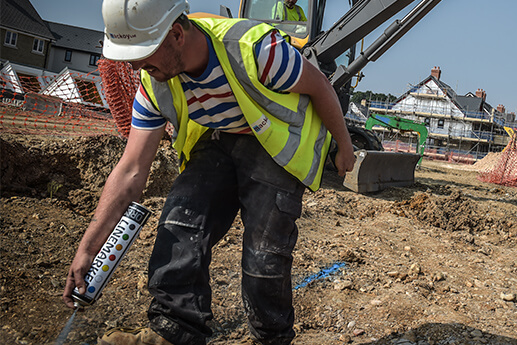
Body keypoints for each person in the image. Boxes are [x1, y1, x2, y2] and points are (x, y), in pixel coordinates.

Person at [61, 0, 355, 344]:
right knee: (178, 227)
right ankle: (173, 333)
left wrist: (345, 146)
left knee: (264, 257)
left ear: (175, 34)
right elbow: (131, 169)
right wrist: (87, 248)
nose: (138, 64)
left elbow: (319, 85)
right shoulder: (153, 82)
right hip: (217, 140)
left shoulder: (257, 50)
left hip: (273, 144)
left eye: (143, 53)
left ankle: (271, 339)